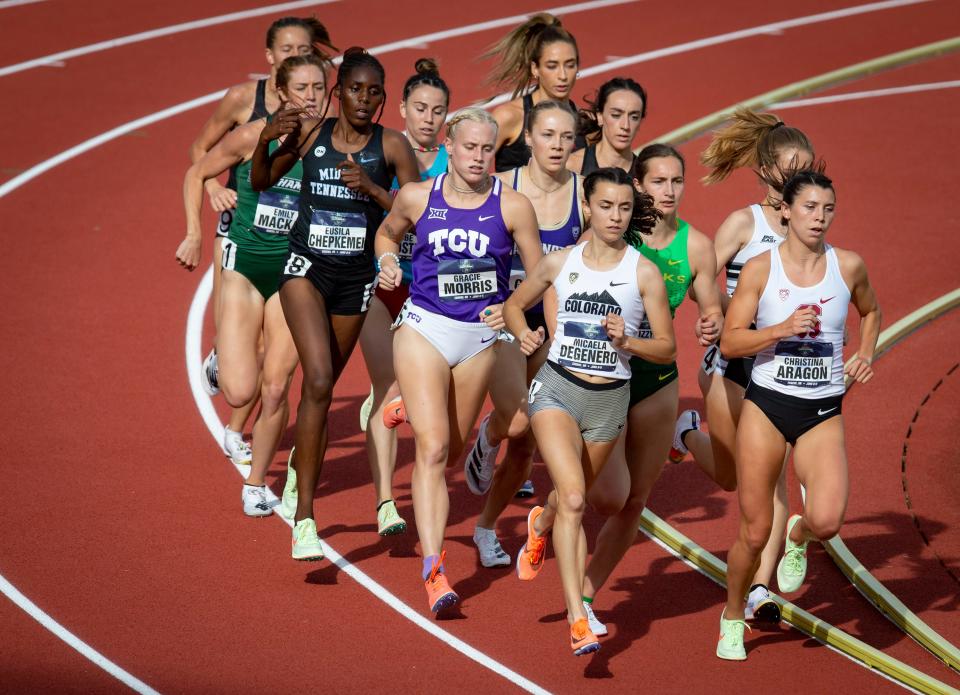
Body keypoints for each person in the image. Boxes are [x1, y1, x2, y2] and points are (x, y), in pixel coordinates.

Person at [251, 47, 420, 560]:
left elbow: (422, 212)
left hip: (355, 280)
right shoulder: (312, 134)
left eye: (373, 92)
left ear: (384, 99)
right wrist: (266, 137)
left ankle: (302, 469)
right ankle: (304, 521)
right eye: (355, 90)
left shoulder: (391, 145)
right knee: (319, 380)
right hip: (305, 270)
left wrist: (371, 188)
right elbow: (261, 180)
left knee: (317, 402)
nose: (364, 100)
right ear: (337, 92)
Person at [374, 107, 542, 613]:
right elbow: (387, 233)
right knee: (431, 448)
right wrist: (386, 259)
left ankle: (406, 403)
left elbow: (540, 272)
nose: (478, 156)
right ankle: (435, 569)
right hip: (423, 325)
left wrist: (513, 310)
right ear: (450, 146)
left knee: (448, 456)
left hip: (479, 338)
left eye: (487, 148)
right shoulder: (417, 196)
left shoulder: (513, 207)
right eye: (469, 147)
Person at [504, 167, 675, 655]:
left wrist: (630, 341)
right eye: (606, 206)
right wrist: (524, 333)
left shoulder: (643, 272)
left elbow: (667, 348)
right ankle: (578, 620)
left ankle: (539, 525)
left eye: (624, 207)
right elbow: (517, 306)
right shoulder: (560, 263)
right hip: (557, 390)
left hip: (609, 403)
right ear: (589, 207)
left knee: (568, 497)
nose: (616, 216)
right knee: (576, 500)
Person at [716, 169, 880, 660]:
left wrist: (867, 352)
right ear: (785, 210)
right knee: (752, 529)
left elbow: (871, 311)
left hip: (822, 410)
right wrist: (781, 328)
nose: (819, 218)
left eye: (827, 209)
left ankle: (800, 535)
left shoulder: (847, 266)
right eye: (809, 207)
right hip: (767, 406)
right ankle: (731, 615)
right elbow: (730, 340)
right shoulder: (762, 269)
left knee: (827, 520)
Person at [575, 145, 723, 636]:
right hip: (604, 373)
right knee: (603, 499)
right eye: (658, 181)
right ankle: (555, 507)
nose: (669, 191)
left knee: (636, 501)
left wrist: (712, 318)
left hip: (657, 378)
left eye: (677, 181)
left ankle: (586, 595)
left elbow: (710, 302)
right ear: (638, 185)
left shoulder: (696, 246)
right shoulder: (616, 233)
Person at [675, 109, 816, 622]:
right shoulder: (745, 223)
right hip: (730, 365)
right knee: (734, 480)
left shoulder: (809, 228)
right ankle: (687, 433)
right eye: (787, 170)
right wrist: (711, 315)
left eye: (804, 169)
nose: (796, 180)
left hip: (779, 370)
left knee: (773, 481)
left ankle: (760, 588)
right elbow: (703, 274)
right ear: (764, 173)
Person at [176, 54, 328, 519]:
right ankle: (224, 359)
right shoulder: (249, 136)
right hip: (244, 271)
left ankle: (256, 483)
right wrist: (195, 232)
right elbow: (195, 170)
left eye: (318, 88)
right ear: (280, 93)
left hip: (293, 276)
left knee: (278, 388)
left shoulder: (330, 146)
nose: (310, 97)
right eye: (300, 88)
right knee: (241, 392)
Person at [462, 99, 584, 569]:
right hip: (501, 318)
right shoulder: (501, 189)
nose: (556, 145)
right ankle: (487, 437)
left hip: (553, 321)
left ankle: (486, 527)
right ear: (527, 138)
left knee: (529, 440)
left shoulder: (583, 194)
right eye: (547, 135)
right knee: (516, 421)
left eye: (566, 137)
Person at [357, 58, 450, 536]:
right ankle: (386, 501)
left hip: (433, 295)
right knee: (387, 389)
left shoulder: (457, 164)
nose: (428, 118)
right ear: (402, 109)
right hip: (383, 285)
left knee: (423, 399)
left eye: (437, 111)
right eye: (419, 108)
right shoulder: (384, 151)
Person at [481, 13, 586, 172]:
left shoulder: (585, 123)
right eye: (552, 66)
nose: (563, 76)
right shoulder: (510, 117)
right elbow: (466, 170)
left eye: (570, 65)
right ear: (535, 68)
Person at [567, 77, 646, 175]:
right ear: (600, 117)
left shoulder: (645, 175)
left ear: (640, 122)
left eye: (634, 117)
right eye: (616, 115)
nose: (625, 126)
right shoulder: (571, 167)